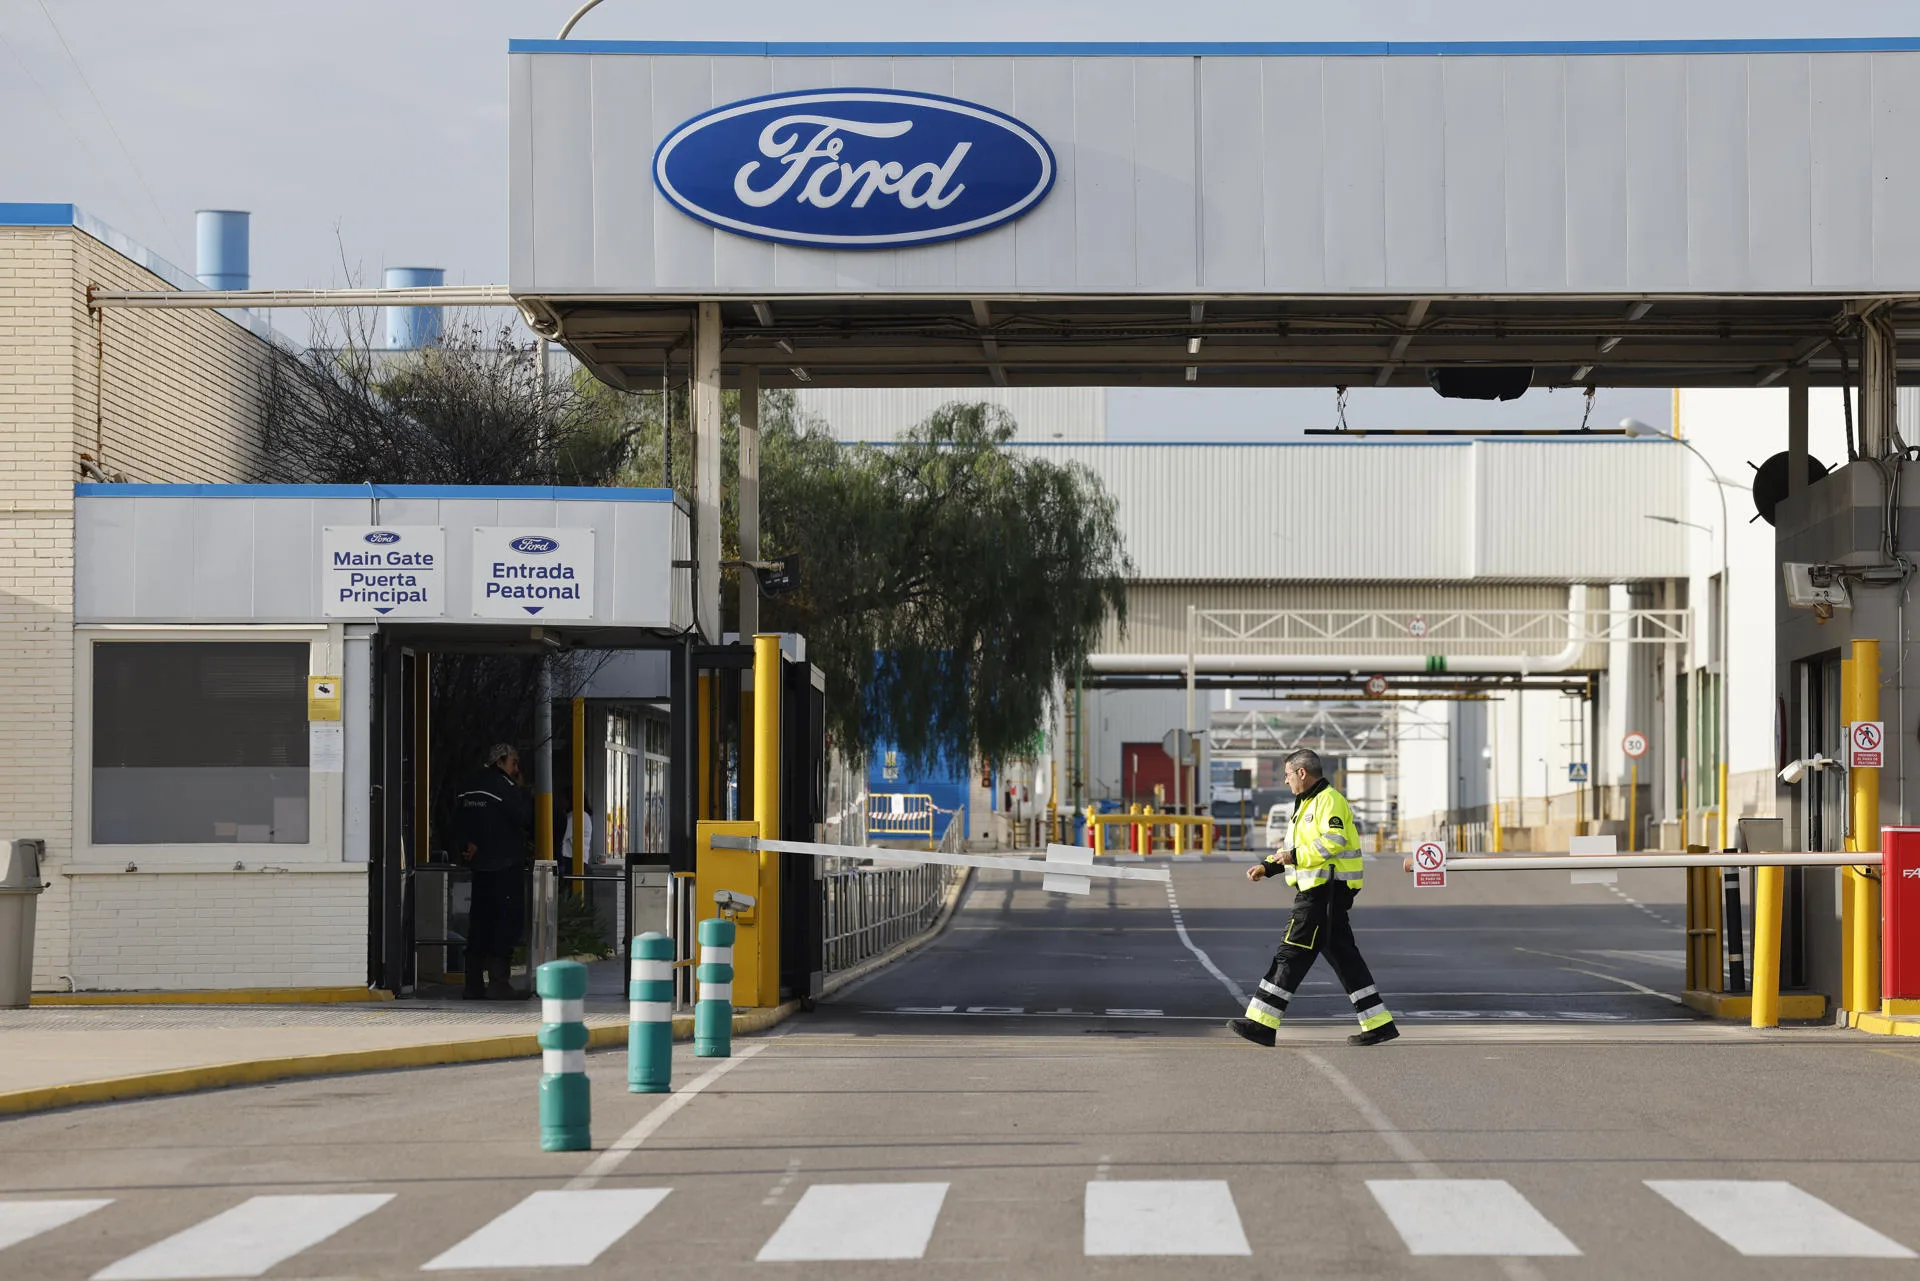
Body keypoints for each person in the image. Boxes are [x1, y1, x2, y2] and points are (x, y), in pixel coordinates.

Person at [1228, 748, 1399, 1047]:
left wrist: (1292, 857)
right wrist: (1268, 866)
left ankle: (1262, 1023)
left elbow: (1332, 842)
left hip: (1324, 893)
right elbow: (1294, 848)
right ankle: (1379, 1023)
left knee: (1290, 953)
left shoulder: (1328, 800)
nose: (1285, 780)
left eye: (1287, 774)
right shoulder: (1306, 803)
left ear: (1302, 773)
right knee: (1346, 959)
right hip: (1320, 892)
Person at [454, 742, 534, 1000]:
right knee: (505, 924)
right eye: (514, 763)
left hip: (479, 868)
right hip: (505, 866)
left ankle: (473, 983)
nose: (516, 768)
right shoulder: (506, 788)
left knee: (478, 925)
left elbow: (456, 821)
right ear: (501, 761)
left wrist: (467, 845)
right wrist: (522, 791)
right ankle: (499, 983)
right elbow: (524, 818)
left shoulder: (468, 786)